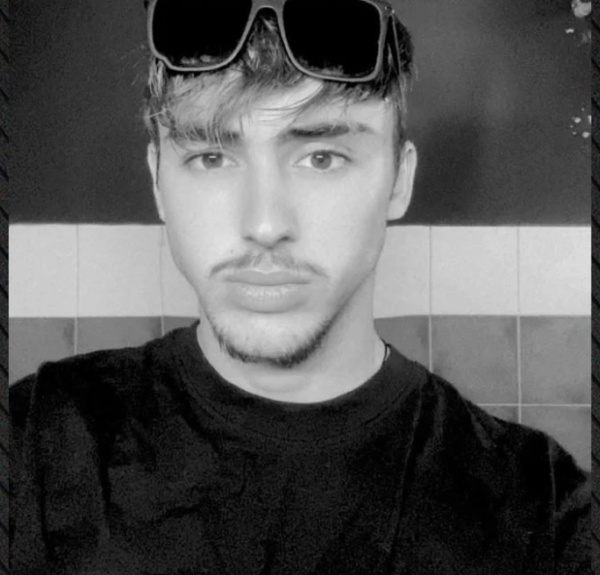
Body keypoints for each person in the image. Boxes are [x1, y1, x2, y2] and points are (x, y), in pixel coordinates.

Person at [10, 1, 590, 573]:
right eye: (211, 158)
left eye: (321, 158)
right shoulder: (36, 441)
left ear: (399, 181)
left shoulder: (541, 511)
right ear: (158, 182)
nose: (265, 225)